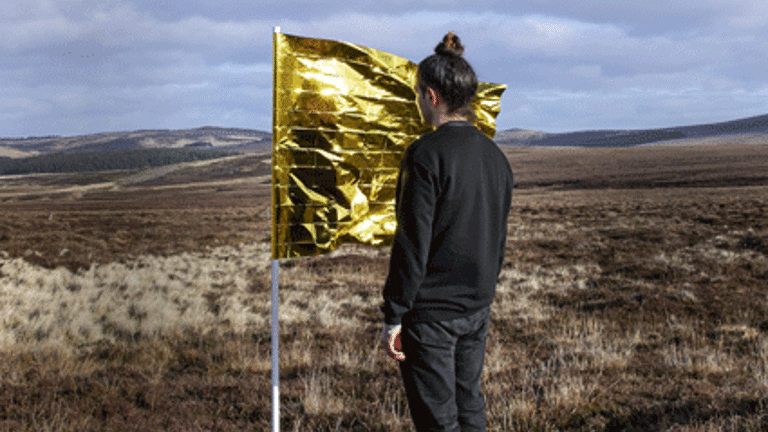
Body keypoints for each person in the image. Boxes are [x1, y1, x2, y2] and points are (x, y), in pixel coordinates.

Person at [380, 31, 514, 432]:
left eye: (419, 93)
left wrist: (394, 313)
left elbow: (411, 242)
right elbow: (499, 234)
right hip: (477, 306)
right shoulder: (496, 156)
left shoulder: (424, 155)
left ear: (432, 96)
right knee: (469, 405)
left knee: (438, 420)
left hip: (431, 314)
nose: (418, 101)